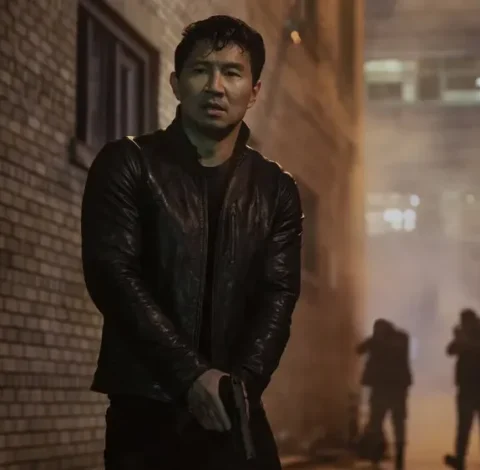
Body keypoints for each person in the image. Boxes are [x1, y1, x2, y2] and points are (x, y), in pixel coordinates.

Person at [81, 15, 302, 470]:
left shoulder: (276, 188)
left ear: (254, 91)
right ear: (176, 83)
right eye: (201, 70)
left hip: (233, 404)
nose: (215, 87)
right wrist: (190, 377)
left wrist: (237, 387)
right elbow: (113, 276)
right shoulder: (128, 163)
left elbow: (278, 295)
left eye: (232, 73)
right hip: (146, 408)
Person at [444, 308, 480, 470]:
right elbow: (450, 350)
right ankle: (462, 458)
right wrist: (459, 339)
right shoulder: (465, 336)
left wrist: (463, 340)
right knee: (465, 425)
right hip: (469, 387)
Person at [356, 319, 412, 470]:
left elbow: (397, 349)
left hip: (394, 389)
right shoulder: (377, 341)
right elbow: (359, 349)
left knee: (397, 423)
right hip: (382, 389)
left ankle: (399, 456)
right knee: (377, 422)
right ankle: (376, 454)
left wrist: (376, 342)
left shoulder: (400, 338)